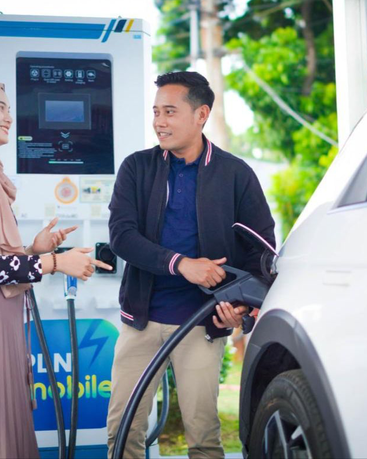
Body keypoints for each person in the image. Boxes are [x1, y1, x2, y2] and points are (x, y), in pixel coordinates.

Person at [0, 76, 112, 458]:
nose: (9, 117)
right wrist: (54, 262)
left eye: (9, 108)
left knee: (4, 429)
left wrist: (35, 249)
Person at [106, 71, 275, 458]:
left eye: (169, 111)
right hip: (142, 320)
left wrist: (243, 310)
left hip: (202, 323)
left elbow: (261, 251)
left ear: (201, 115)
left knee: (203, 437)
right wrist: (182, 264)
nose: (159, 122)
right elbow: (122, 236)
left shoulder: (236, 174)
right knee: (122, 430)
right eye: (155, 112)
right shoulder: (137, 168)